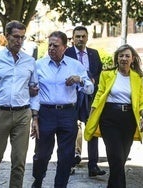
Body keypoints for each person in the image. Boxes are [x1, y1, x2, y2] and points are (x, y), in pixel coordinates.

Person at [0, 20, 40, 188]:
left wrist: (35, 116)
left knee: (19, 161)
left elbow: (35, 91)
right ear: (7, 37)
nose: (19, 41)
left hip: (22, 115)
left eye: (22, 37)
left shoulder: (29, 61)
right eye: (15, 37)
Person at [31, 31, 94, 188]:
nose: (51, 48)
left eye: (56, 45)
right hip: (46, 113)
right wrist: (34, 116)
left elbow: (90, 89)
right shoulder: (38, 65)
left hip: (68, 114)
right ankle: (38, 179)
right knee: (42, 155)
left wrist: (80, 80)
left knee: (66, 156)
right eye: (50, 45)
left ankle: (60, 185)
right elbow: (32, 92)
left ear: (65, 47)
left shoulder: (75, 65)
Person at [84, 44, 143, 188]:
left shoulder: (137, 77)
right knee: (117, 158)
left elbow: (142, 100)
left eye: (127, 56)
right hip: (109, 119)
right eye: (121, 56)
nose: (124, 59)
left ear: (132, 59)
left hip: (129, 121)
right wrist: (92, 112)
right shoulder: (107, 74)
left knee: (119, 162)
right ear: (117, 58)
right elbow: (99, 94)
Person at [64, 26, 105, 176]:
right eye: (77, 36)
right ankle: (68, 164)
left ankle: (93, 166)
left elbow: (100, 72)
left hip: (90, 96)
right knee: (70, 130)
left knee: (92, 129)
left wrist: (94, 80)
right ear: (73, 38)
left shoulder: (94, 54)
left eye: (83, 36)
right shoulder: (66, 53)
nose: (80, 39)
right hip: (72, 96)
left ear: (87, 38)